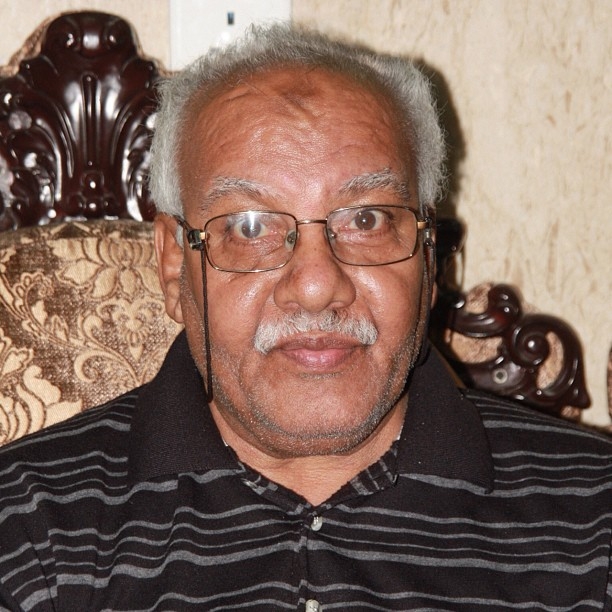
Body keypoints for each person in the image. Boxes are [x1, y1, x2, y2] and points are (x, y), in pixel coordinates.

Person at [0, 24, 610, 611]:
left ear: (428, 258)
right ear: (173, 265)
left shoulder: (594, 521)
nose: (317, 287)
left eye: (367, 219)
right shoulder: (27, 525)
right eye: (249, 227)